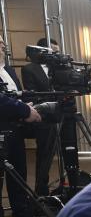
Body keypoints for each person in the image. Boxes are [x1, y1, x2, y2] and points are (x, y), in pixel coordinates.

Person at [0, 37, 43, 217]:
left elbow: (16, 95)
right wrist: (24, 111)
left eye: (3, 42)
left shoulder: (7, 69)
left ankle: (21, 213)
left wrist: (26, 105)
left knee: (18, 172)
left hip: (15, 130)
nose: (3, 45)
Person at [19, 37, 59, 199]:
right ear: (42, 51)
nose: (56, 55)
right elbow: (33, 95)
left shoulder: (59, 68)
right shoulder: (29, 69)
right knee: (44, 157)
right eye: (53, 51)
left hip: (63, 116)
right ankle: (41, 193)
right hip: (44, 118)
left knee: (66, 152)